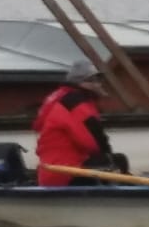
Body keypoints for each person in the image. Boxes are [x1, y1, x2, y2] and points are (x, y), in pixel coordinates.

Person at [32, 58, 127, 187]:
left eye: (98, 80)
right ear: (80, 83)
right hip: (66, 173)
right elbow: (95, 142)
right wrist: (110, 159)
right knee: (118, 160)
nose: (98, 84)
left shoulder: (64, 100)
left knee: (109, 162)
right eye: (92, 80)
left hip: (52, 172)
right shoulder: (75, 103)